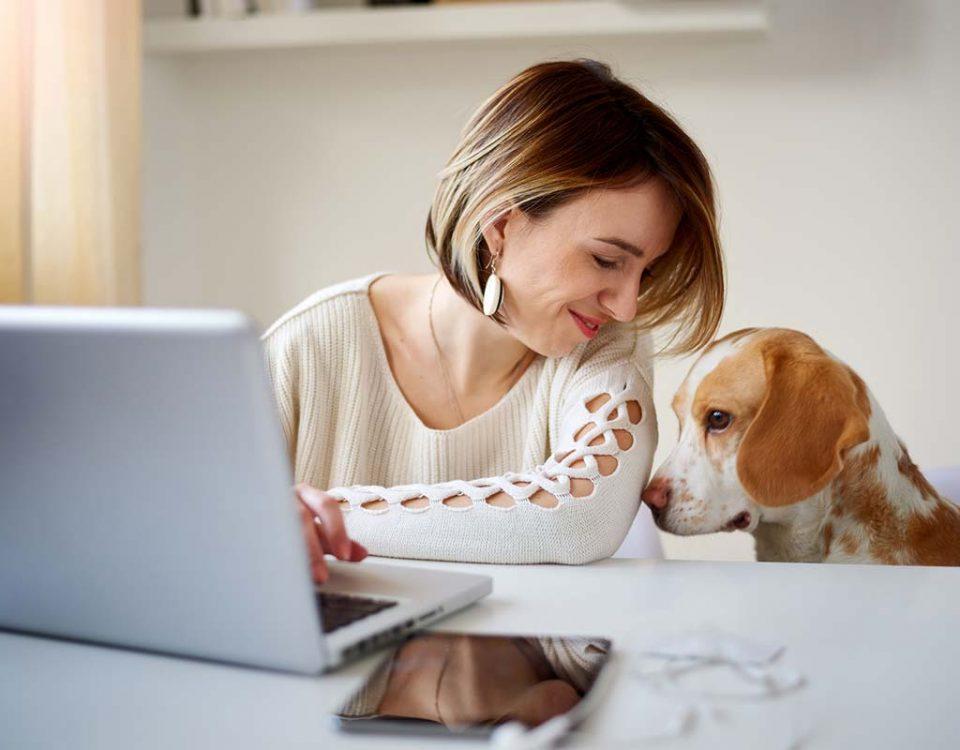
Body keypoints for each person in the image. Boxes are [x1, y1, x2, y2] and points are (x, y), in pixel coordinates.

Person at [261, 59, 725, 583]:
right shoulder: (306, 349)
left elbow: (579, 520)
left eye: (646, 269)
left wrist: (327, 517)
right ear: (501, 226)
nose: (626, 306)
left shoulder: (604, 349)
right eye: (605, 260)